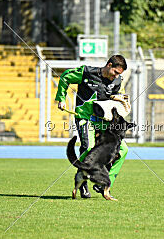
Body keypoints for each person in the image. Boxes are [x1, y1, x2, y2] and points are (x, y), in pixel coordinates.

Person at [55, 55, 128, 199]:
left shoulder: (118, 81)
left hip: (104, 121)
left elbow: (120, 97)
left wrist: (121, 100)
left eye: (119, 74)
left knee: (123, 150)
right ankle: (81, 178)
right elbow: (65, 77)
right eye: (115, 72)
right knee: (89, 148)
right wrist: (61, 99)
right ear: (109, 65)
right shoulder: (86, 72)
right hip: (85, 117)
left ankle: (104, 185)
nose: (116, 77)